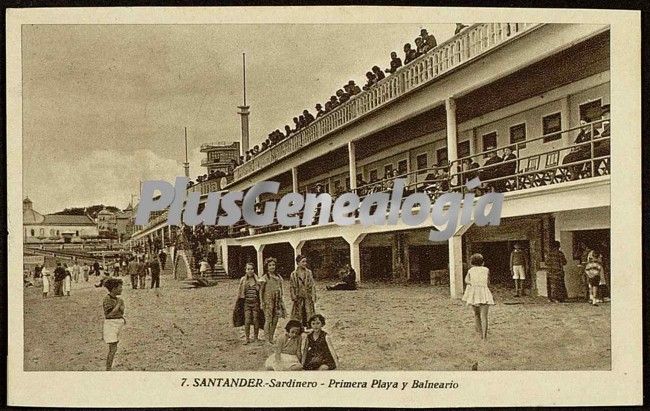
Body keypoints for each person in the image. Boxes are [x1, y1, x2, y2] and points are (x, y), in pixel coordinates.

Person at [462, 253, 494, 340]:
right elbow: (488, 282)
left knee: (476, 314)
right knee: (484, 316)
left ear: (472, 263)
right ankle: (484, 336)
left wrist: (472, 283)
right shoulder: (486, 270)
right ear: (482, 262)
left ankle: (479, 333)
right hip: (484, 292)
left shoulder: (470, 270)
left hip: (474, 293)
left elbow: (466, 281)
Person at [260, 257, 286, 344]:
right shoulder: (264, 277)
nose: (272, 267)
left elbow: (280, 289)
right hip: (268, 300)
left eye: (273, 265)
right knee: (268, 320)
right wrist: (261, 301)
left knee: (275, 320)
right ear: (266, 267)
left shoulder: (278, 277)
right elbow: (261, 291)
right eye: (270, 265)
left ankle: (271, 337)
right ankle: (267, 339)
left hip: (277, 300)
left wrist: (281, 301)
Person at [235, 262, 262, 344]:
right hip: (246, 303)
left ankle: (256, 337)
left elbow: (260, 291)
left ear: (254, 270)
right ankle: (247, 338)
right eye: (248, 269)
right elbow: (240, 292)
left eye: (252, 269)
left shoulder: (257, 280)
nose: (250, 271)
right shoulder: (243, 280)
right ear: (245, 270)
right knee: (247, 320)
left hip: (255, 303)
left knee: (255, 319)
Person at [102, 278, 125, 371]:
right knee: (113, 348)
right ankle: (108, 369)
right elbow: (109, 314)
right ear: (114, 288)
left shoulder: (118, 299)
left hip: (117, 324)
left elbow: (122, 312)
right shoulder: (107, 299)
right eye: (120, 287)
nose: (121, 289)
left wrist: (120, 306)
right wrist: (119, 304)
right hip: (111, 325)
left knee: (114, 348)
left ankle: (109, 368)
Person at [290, 255, 316, 328]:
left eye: (305, 261)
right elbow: (292, 286)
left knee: (309, 312)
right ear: (298, 263)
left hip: (307, 296)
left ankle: (309, 326)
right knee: (298, 314)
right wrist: (293, 296)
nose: (305, 263)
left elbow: (312, 285)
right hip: (298, 297)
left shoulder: (309, 272)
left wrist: (313, 295)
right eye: (303, 262)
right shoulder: (294, 274)